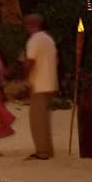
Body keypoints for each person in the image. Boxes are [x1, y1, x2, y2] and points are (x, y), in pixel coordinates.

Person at [22, 13, 59, 160]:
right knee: (44, 118)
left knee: (37, 120)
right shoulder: (49, 39)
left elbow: (31, 62)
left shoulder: (34, 41)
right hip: (50, 83)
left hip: (39, 84)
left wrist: (25, 74)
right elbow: (56, 61)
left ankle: (42, 151)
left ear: (32, 25)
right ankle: (48, 149)